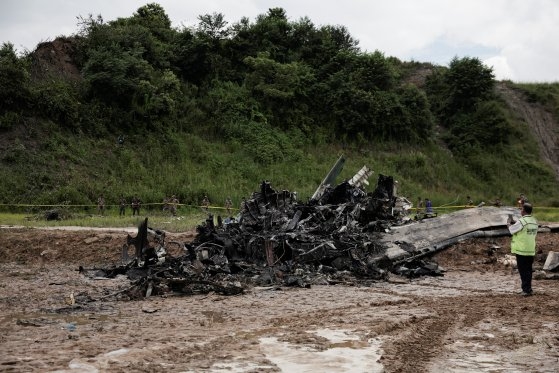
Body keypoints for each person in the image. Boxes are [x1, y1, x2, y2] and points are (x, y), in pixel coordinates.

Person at [508, 203, 538, 296]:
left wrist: (508, 223)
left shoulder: (522, 221)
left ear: (524, 211)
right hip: (531, 249)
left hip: (522, 250)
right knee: (528, 270)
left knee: (523, 271)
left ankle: (525, 290)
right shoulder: (534, 221)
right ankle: (529, 289)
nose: (520, 211)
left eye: (521, 209)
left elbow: (512, 230)